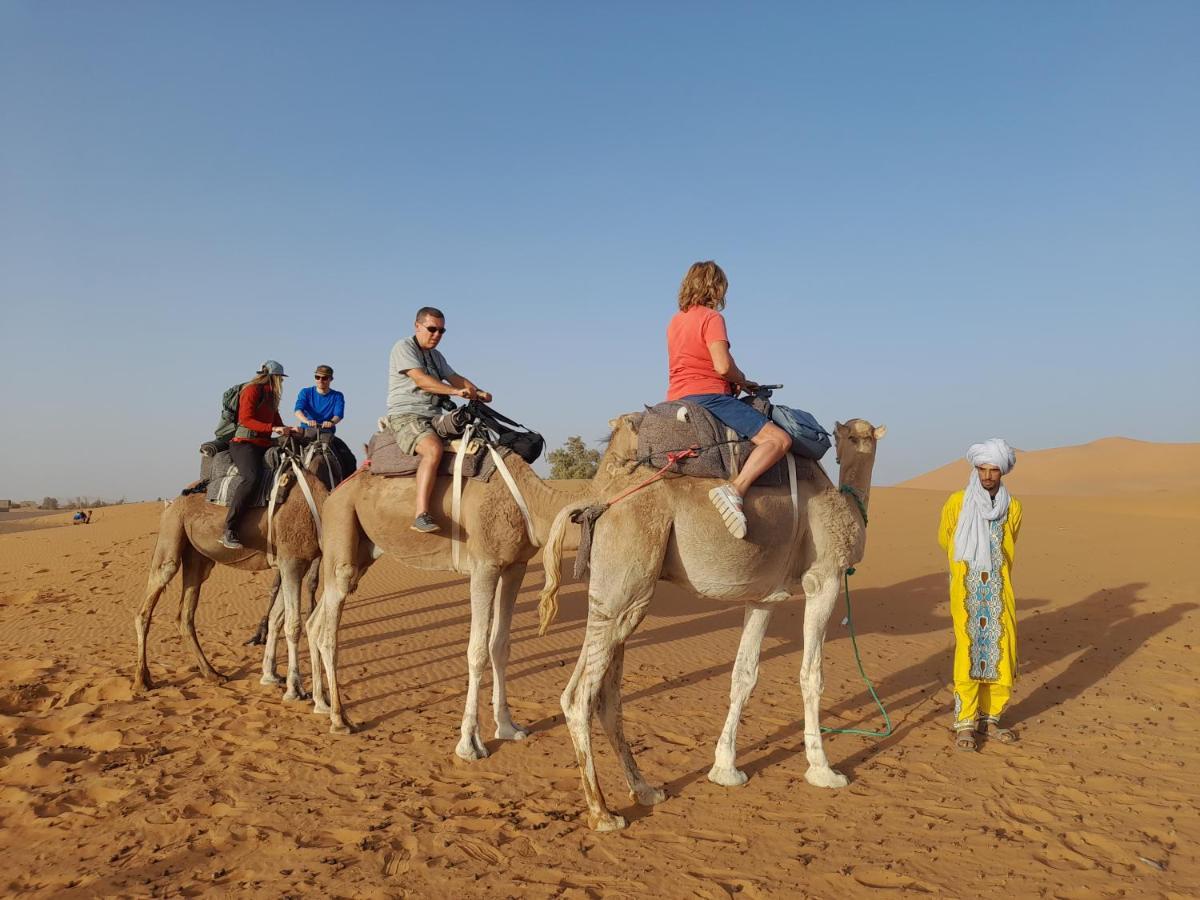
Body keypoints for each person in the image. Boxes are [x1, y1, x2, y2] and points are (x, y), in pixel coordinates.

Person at [666, 260, 792, 539]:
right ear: (716, 287)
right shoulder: (712, 319)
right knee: (779, 440)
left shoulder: (675, 321)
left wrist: (739, 382)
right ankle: (736, 489)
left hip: (676, 396)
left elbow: (695, 360)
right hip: (709, 397)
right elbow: (722, 365)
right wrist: (739, 378)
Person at [937, 439, 1024, 751]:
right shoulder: (957, 502)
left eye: (993, 470)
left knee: (1003, 651)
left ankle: (992, 719)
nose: (987, 475)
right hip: (967, 590)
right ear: (975, 469)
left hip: (1000, 590)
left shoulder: (1013, 507)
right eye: (983, 469)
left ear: (1002, 472)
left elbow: (1009, 541)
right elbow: (946, 538)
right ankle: (965, 722)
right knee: (970, 653)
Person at [387, 306, 492, 533]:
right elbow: (421, 380)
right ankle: (421, 514)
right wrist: (455, 392)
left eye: (442, 331)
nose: (436, 335)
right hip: (407, 415)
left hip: (434, 415)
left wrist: (478, 391)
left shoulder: (436, 356)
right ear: (417, 326)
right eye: (432, 329)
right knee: (433, 449)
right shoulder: (403, 347)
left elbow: (455, 377)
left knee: (478, 439)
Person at [221, 361, 296, 549]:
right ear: (273, 377)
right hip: (244, 444)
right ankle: (230, 529)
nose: (281, 382)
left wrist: (287, 429)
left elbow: (276, 420)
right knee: (252, 478)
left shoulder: (272, 396)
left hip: (264, 443)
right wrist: (272, 428)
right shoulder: (252, 390)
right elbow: (245, 419)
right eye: (280, 378)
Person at [294, 365, 345, 432]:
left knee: (340, 443)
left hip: (326, 432)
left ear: (331, 379)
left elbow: (338, 415)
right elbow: (298, 410)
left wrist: (331, 422)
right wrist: (307, 421)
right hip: (306, 430)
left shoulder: (338, 396)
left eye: (324, 378)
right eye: (317, 377)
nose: (320, 380)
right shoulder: (305, 392)